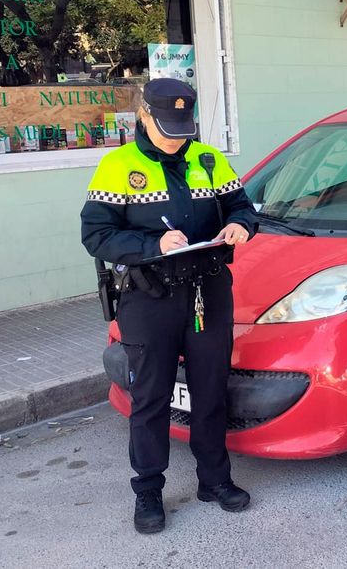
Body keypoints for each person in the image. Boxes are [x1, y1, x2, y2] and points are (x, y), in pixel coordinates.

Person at [81, 78, 258, 534]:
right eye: (167, 128)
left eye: (183, 127)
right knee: (151, 399)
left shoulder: (207, 159)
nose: (177, 138)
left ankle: (214, 480)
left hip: (208, 292)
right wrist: (151, 242)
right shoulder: (118, 166)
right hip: (150, 296)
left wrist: (240, 225)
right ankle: (148, 493)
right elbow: (96, 235)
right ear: (143, 116)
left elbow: (242, 205)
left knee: (211, 391)